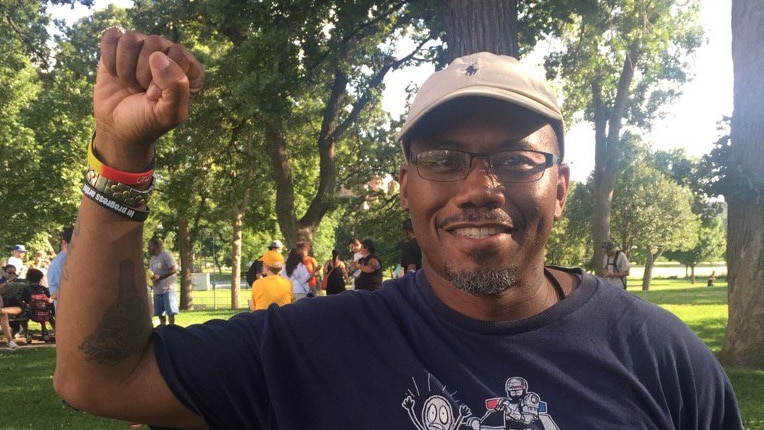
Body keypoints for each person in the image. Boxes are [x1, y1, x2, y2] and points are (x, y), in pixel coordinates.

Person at [53, 30, 741, 429]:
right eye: (443, 161)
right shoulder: (313, 347)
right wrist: (121, 155)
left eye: (515, 159)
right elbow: (100, 379)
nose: (479, 187)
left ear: (559, 188)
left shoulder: (661, 356)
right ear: (407, 188)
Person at [148, 237, 179, 325]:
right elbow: (152, 273)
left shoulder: (166, 255)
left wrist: (160, 276)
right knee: (160, 313)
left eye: (149, 246)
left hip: (168, 289)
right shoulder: (152, 259)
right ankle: (163, 328)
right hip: (157, 290)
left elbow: (174, 270)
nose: (148, 249)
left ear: (155, 246)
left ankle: (172, 329)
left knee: (170, 313)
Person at [20, 268, 53, 343]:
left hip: (31, 313)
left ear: (28, 278)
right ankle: (44, 329)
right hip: (45, 314)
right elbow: (48, 298)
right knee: (42, 309)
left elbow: (24, 300)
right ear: (40, 278)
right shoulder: (43, 289)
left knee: (23, 316)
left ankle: (27, 331)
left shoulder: (27, 289)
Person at [47, 226, 73, 314]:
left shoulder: (79, 260)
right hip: (69, 315)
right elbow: (56, 295)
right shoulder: (58, 265)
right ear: (64, 243)